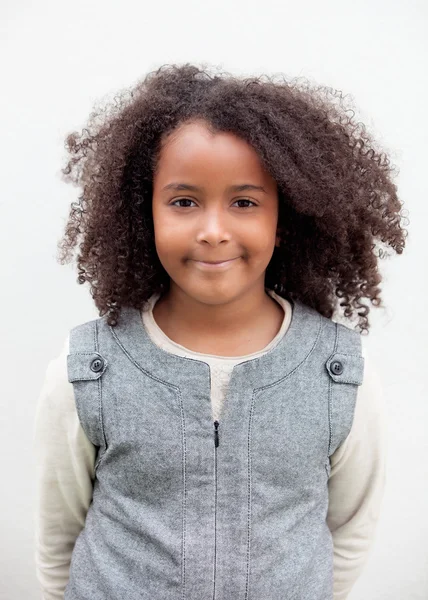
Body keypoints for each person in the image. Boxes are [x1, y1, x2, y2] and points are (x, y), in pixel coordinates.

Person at [33, 63, 406, 600]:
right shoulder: (91, 368)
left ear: (285, 221)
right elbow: (58, 539)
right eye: (184, 202)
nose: (213, 231)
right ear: (146, 214)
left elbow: (349, 531)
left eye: (245, 202)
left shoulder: (340, 375)